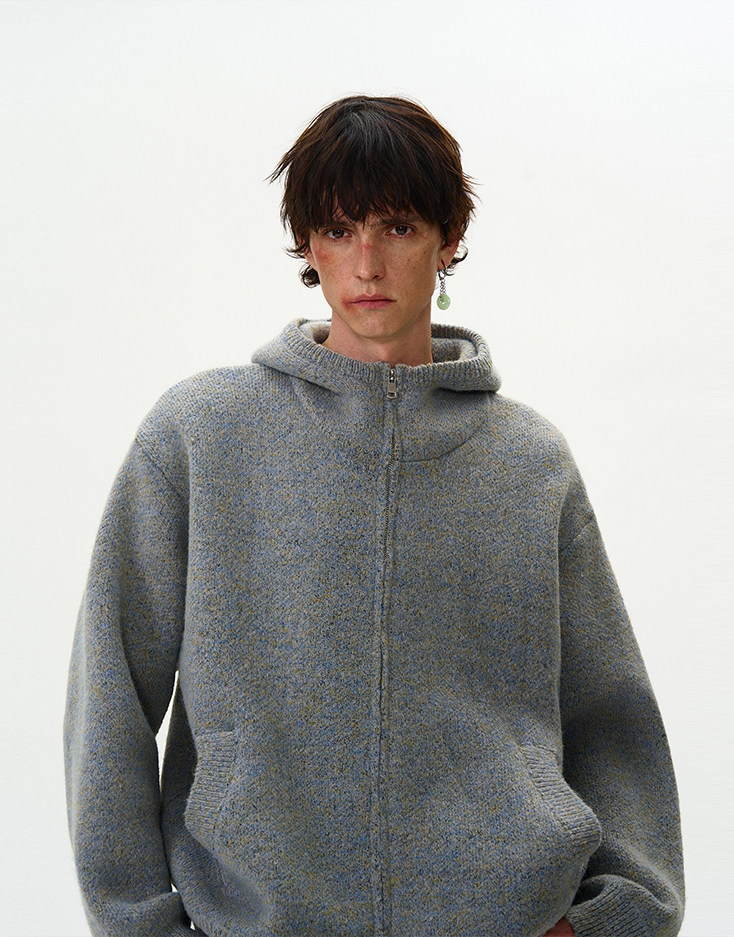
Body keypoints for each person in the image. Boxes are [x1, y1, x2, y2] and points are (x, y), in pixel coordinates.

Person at [64, 95, 685, 937]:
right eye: (337, 229)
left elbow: (613, 717)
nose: (365, 263)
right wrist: (139, 923)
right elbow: (109, 697)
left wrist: (616, 917)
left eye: (396, 227)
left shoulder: (529, 461)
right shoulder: (200, 436)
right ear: (308, 246)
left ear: (448, 238)